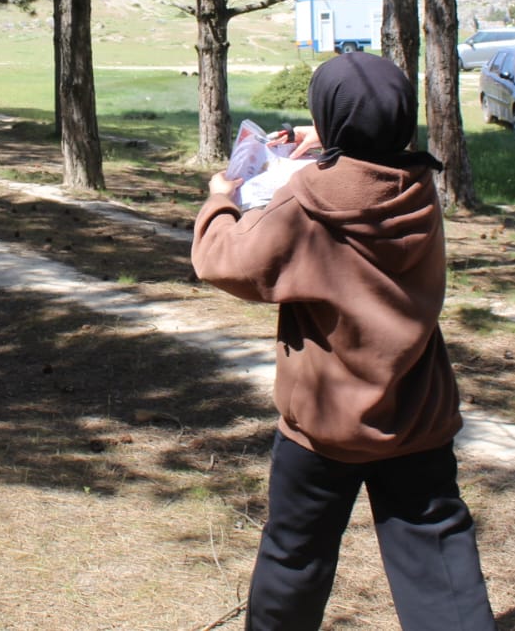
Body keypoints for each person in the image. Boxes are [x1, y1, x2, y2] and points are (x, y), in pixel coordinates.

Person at [191, 51, 495, 631]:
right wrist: (329, 141)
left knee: (295, 561)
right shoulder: (418, 187)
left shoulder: (305, 204)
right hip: (417, 416)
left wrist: (221, 195)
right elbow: (368, 165)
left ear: (332, 121)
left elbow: (220, 261)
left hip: (323, 427)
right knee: (440, 563)